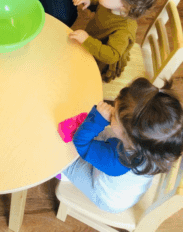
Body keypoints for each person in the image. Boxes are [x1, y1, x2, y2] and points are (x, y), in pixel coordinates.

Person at [58, 77, 183, 213]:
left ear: (129, 137)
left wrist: (98, 119)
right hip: (129, 190)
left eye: (115, 116)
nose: (111, 109)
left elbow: (80, 143)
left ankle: (65, 176)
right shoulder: (156, 147)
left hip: (106, 199)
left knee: (62, 158)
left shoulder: (116, 161)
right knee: (99, 136)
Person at [69, 0, 157, 82]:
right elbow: (101, 4)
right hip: (92, 42)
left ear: (125, 6)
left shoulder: (123, 30)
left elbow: (111, 56)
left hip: (101, 61)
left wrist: (86, 40)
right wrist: (89, 1)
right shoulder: (112, 5)